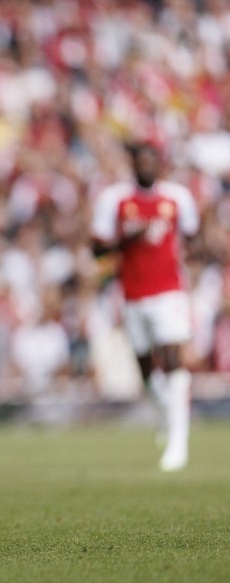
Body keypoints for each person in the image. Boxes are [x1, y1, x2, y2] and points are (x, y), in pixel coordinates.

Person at [91, 142, 199, 472]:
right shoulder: (115, 200)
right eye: (141, 161)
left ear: (160, 165)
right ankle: (168, 415)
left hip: (169, 291)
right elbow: (97, 250)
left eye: (152, 161)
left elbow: (191, 236)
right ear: (133, 165)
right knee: (145, 368)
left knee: (172, 358)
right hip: (133, 294)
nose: (146, 166)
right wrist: (128, 237)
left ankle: (179, 442)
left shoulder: (178, 198)